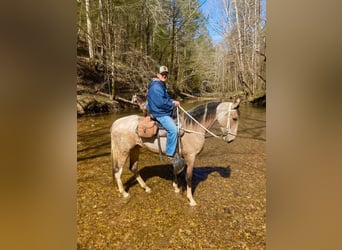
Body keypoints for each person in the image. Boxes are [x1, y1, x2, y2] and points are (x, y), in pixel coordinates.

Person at [146, 66, 180, 161]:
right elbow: (160, 102)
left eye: (166, 74)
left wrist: (172, 101)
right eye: (162, 74)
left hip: (161, 110)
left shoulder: (161, 84)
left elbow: (166, 98)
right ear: (158, 75)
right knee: (173, 130)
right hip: (159, 113)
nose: (164, 76)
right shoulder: (156, 86)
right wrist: (172, 105)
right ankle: (170, 154)